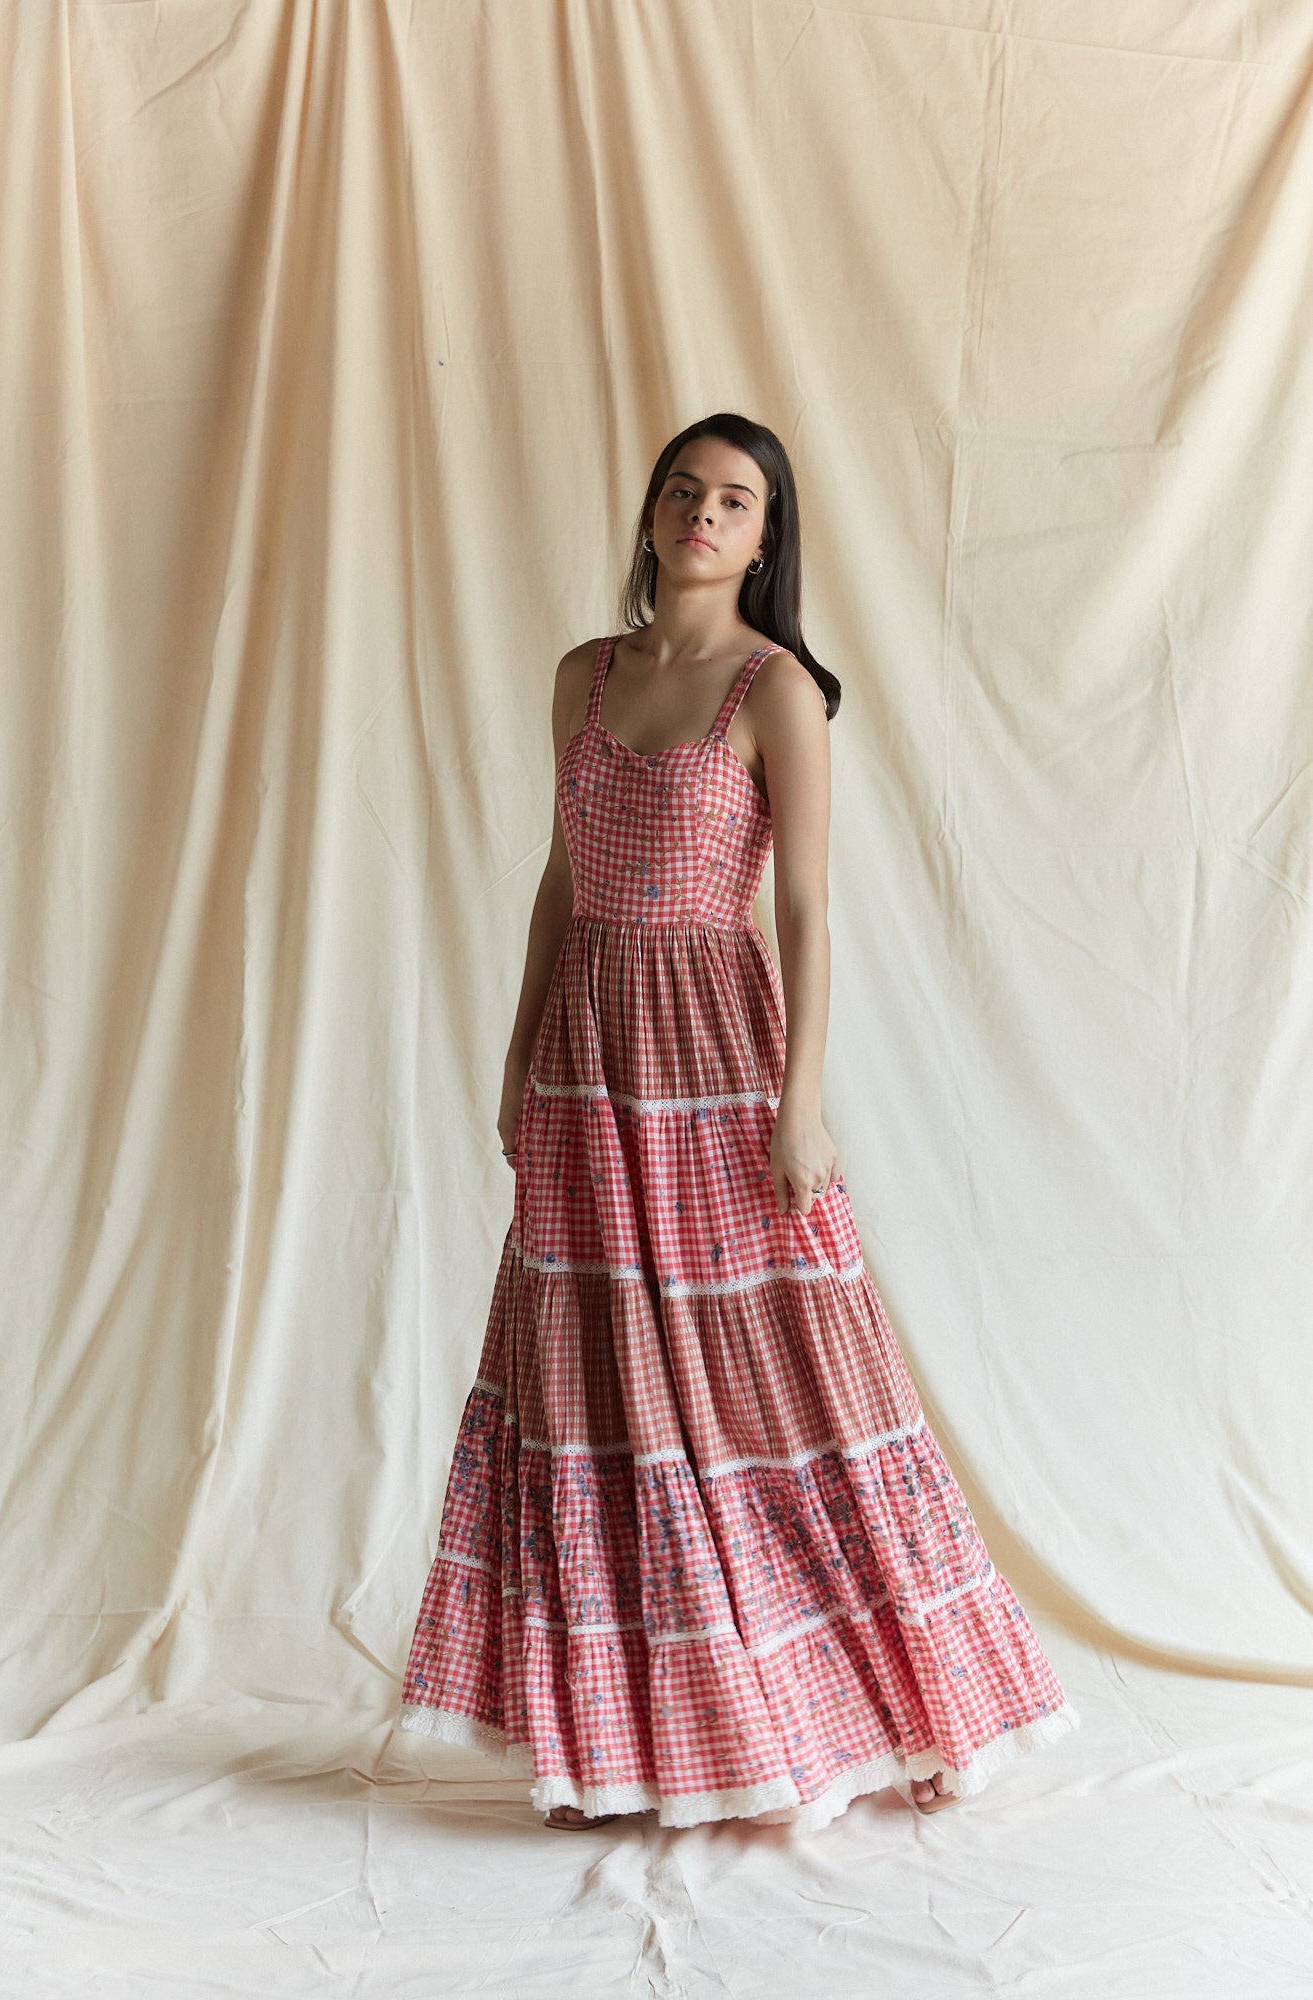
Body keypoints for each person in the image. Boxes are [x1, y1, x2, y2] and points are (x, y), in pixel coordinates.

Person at [397, 412, 1079, 1833]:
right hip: (586, 1046)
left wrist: (801, 1103)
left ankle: (878, 1697)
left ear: (766, 539)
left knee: (777, 1364)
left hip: (714, 1040)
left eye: (734, 501)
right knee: (591, 1374)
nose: (702, 515)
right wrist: (519, 1054)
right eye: (682, 491)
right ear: (649, 515)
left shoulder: (776, 688)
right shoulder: (582, 676)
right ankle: (629, 1728)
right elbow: (556, 873)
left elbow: (811, 906)